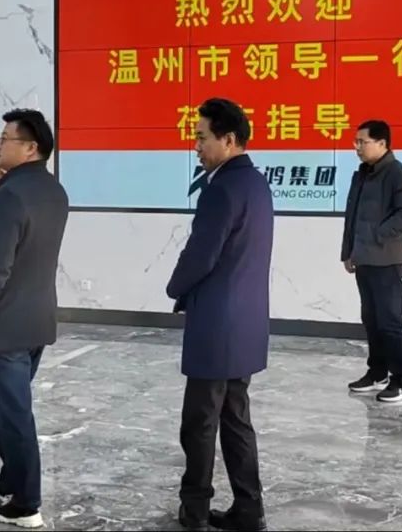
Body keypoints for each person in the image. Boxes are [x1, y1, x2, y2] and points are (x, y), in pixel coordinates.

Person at [165, 98, 271, 532]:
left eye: (202, 137)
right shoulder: (256, 184)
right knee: (235, 419)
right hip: (246, 324)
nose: (196, 146)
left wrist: (175, 287)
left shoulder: (221, 189)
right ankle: (249, 508)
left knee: (200, 423)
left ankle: (194, 511)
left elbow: (201, 254)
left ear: (228, 140)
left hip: (217, 325)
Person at [0, 109, 69, 530]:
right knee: (12, 408)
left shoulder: (12, 196)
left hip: (4, 324)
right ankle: (10, 478)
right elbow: (22, 233)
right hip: (35, 318)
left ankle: (26, 503)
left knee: (13, 415)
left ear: (30, 148)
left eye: (5, 139)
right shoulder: (52, 191)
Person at [341, 119, 402, 404]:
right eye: (356, 142)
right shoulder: (362, 174)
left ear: (382, 143)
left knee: (389, 321)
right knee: (371, 319)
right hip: (363, 259)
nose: (357, 147)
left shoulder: (399, 175)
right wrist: (348, 252)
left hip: (387, 260)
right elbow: (352, 217)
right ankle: (377, 373)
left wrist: (376, 235)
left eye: (362, 142)